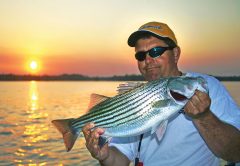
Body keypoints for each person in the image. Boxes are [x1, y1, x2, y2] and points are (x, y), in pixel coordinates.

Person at [82, 21, 240, 166]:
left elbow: (236, 153)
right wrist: (103, 156)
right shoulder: (135, 100)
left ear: (176, 54)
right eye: (141, 55)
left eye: (156, 51)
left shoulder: (208, 86)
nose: (148, 60)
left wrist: (204, 117)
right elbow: (119, 160)